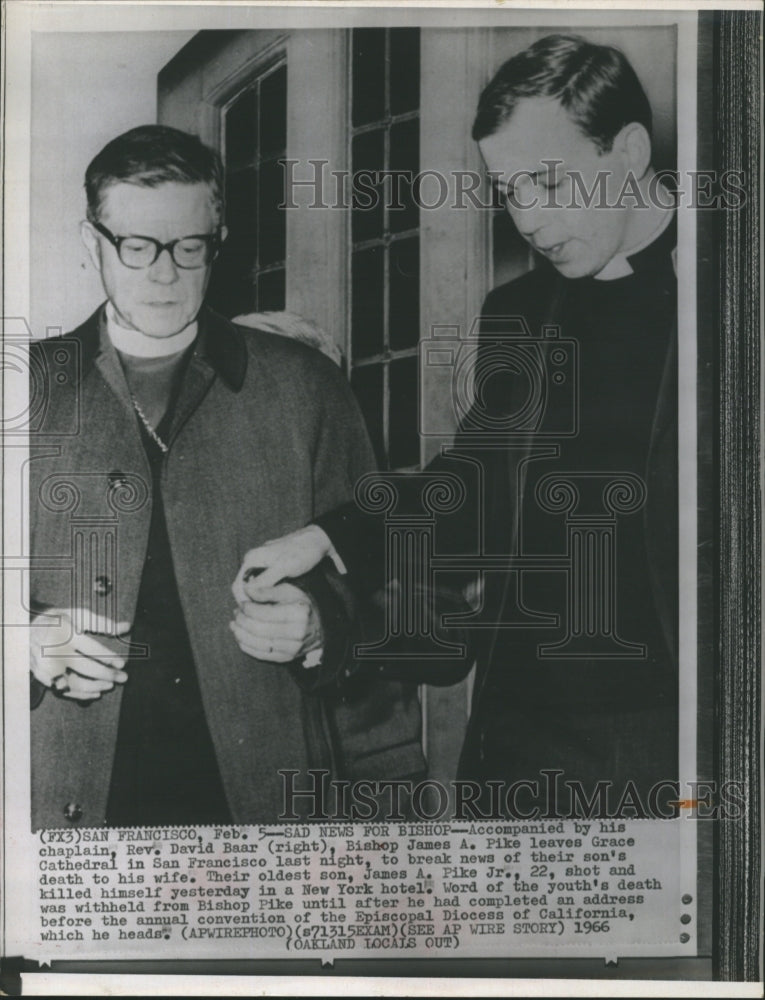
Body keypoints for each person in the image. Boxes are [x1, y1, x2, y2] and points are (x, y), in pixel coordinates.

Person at [236, 34, 680, 817]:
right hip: (515, 739)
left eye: (548, 181)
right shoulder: (517, 313)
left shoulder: (729, 294)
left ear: (631, 151)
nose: (530, 221)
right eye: (511, 191)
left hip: (672, 738)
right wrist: (332, 535)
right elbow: (466, 487)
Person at [28, 124, 377, 828]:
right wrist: (20, 640)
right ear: (91, 242)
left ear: (217, 241)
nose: (165, 273)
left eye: (190, 248)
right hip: (67, 793)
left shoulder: (305, 387)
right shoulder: (22, 389)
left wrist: (323, 628)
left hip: (261, 798)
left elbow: (393, 575)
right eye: (137, 246)